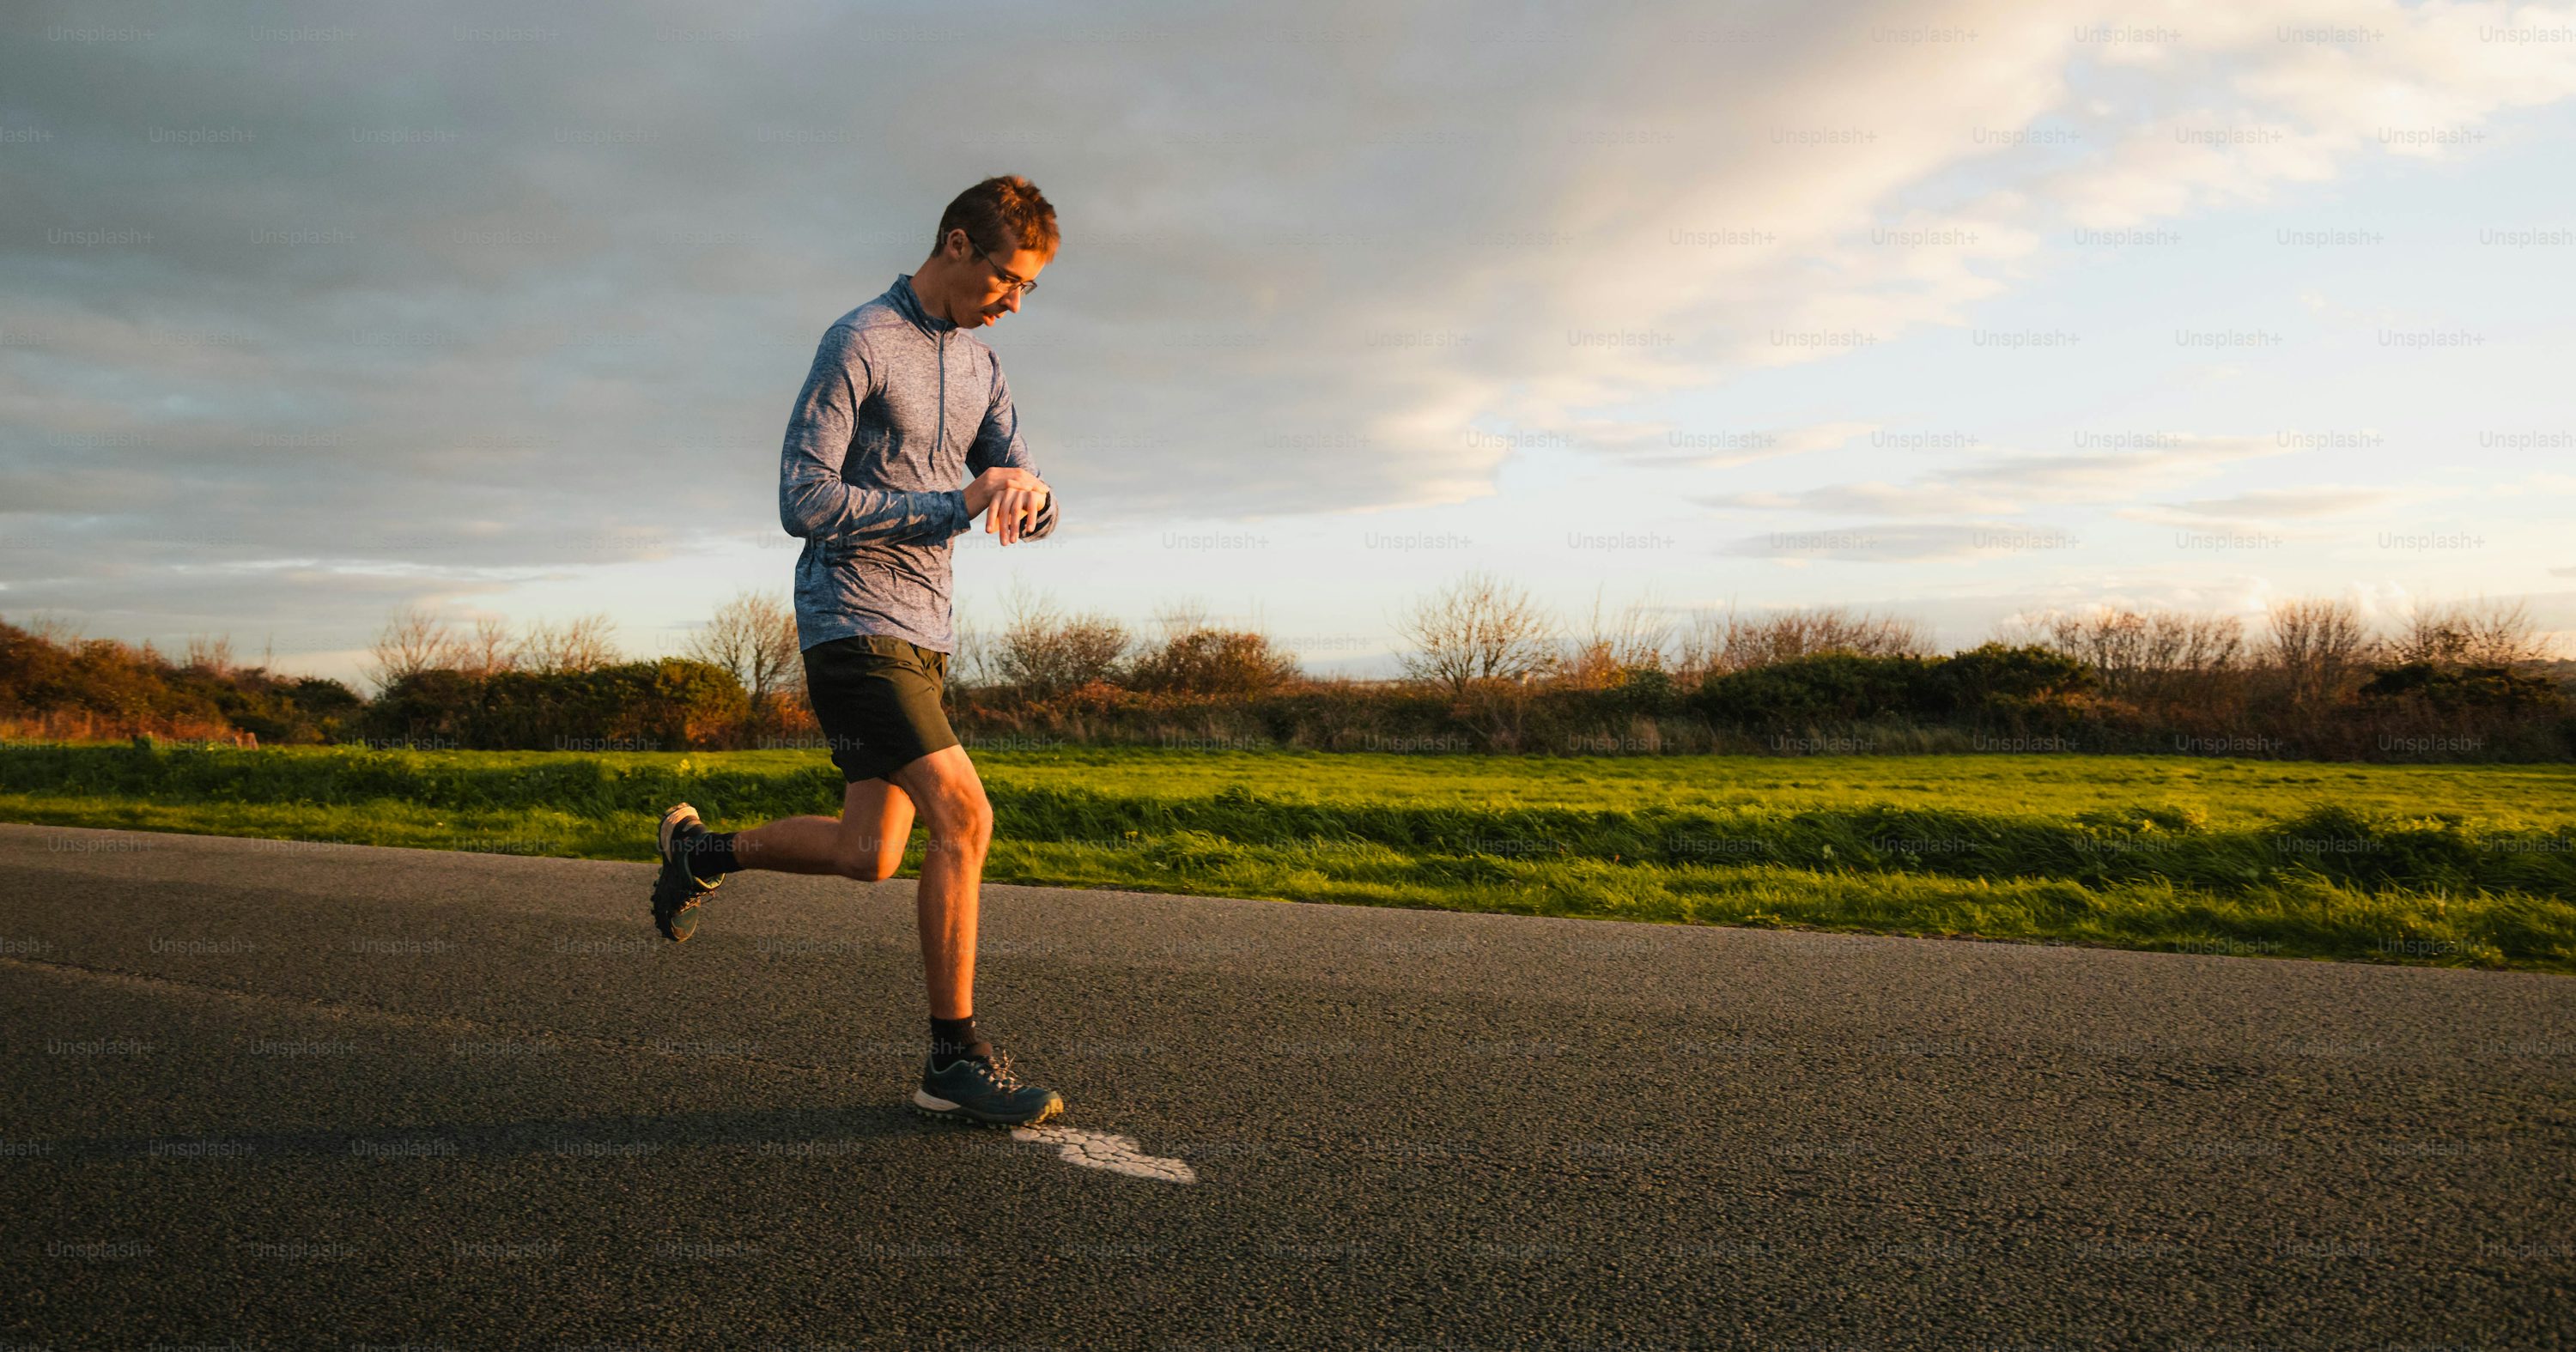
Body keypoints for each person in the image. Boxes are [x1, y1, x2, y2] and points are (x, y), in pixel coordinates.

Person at [647, 175, 1066, 1128]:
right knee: (963, 816)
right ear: (955, 246)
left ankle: (698, 850)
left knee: (869, 853)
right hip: (849, 619)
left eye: (1029, 289)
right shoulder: (859, 342)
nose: (1013, 300)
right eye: (1005, 276)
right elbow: (805, 500)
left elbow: (1018, 481)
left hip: (926, 630)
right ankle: (953, 1059)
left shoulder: (983, 368)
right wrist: (952, 505)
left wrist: (1031, 500)